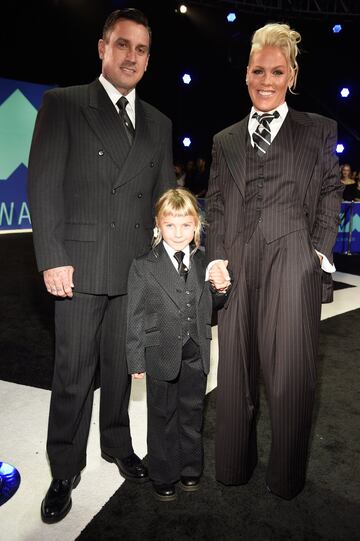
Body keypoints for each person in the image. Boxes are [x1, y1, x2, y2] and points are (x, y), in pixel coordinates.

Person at [27, 8, 175, 523]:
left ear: (148, 59)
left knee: (122, 369)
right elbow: (42, 185)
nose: (131, 56)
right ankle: (65, 466)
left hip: (133, 267)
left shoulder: (159, 122)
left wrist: (169, 260)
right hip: (80, 266)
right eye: (122, 45)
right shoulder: (64, 104)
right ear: (102, 48)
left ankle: (116, 443)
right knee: (72, 371)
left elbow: (163, 201)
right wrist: (53, 258)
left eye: (141, 50)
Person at [206, 22, 343, 500]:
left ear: (292, 75)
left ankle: (286, 477)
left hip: (293, 261)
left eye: (277, 72)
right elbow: (217, 202)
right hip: (236, 267)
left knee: (290, 378)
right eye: (258, 71)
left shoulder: (319, 130)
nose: (266, 80)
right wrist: (216, 259)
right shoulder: (224, 140)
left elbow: (331, 189)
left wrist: (317, 253)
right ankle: (233, 468)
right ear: (246, 73)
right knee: (234, 375)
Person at [126, 188, 227, 501]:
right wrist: (136, 361)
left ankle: (189, 469)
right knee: (162, 418)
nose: (178, 232)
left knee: (192, 414)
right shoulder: (143, 266)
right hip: (160, 354)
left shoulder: (203, 264)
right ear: (158, 226)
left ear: (196, 226)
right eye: (170, 225)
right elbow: (135, 317)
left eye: (186, 225)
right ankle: (164, 472)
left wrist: (221, 289)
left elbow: (210, 302)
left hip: (196, 353)